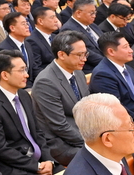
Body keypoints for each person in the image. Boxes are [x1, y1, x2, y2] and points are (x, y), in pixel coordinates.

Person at [0, 51, 58, 175]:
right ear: (5, 75)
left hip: (40, 161)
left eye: (25, 69)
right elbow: (0, 149)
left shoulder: (24, 95)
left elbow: (38, 132)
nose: (27, 75)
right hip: (17, 168)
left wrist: (48, 160)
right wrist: (36, 166)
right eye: (21, 71)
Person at [29, 31, 91, 166]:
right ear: (61, 54)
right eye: (79, 55)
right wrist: (91, 142)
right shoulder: (46, 82)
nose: (84, 59)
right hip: (61, 144)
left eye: (85, 54)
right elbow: (59, 125)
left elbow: (87, 107)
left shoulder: (78, 72)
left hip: (83, 133)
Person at [88, 32, 134, 127]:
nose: (131, 50)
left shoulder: (128, 68)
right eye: (125, 47)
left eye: (129, 46)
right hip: (126, 125)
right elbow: (116, 108)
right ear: (111, 51)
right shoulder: (103, 75)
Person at [0, 12, 42, 82]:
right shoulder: (4, 49)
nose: (27, 26)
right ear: (12, 28)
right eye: (23, 24)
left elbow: (34, 68)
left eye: (27, 23)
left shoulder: (27, 44)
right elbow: (10, 77)